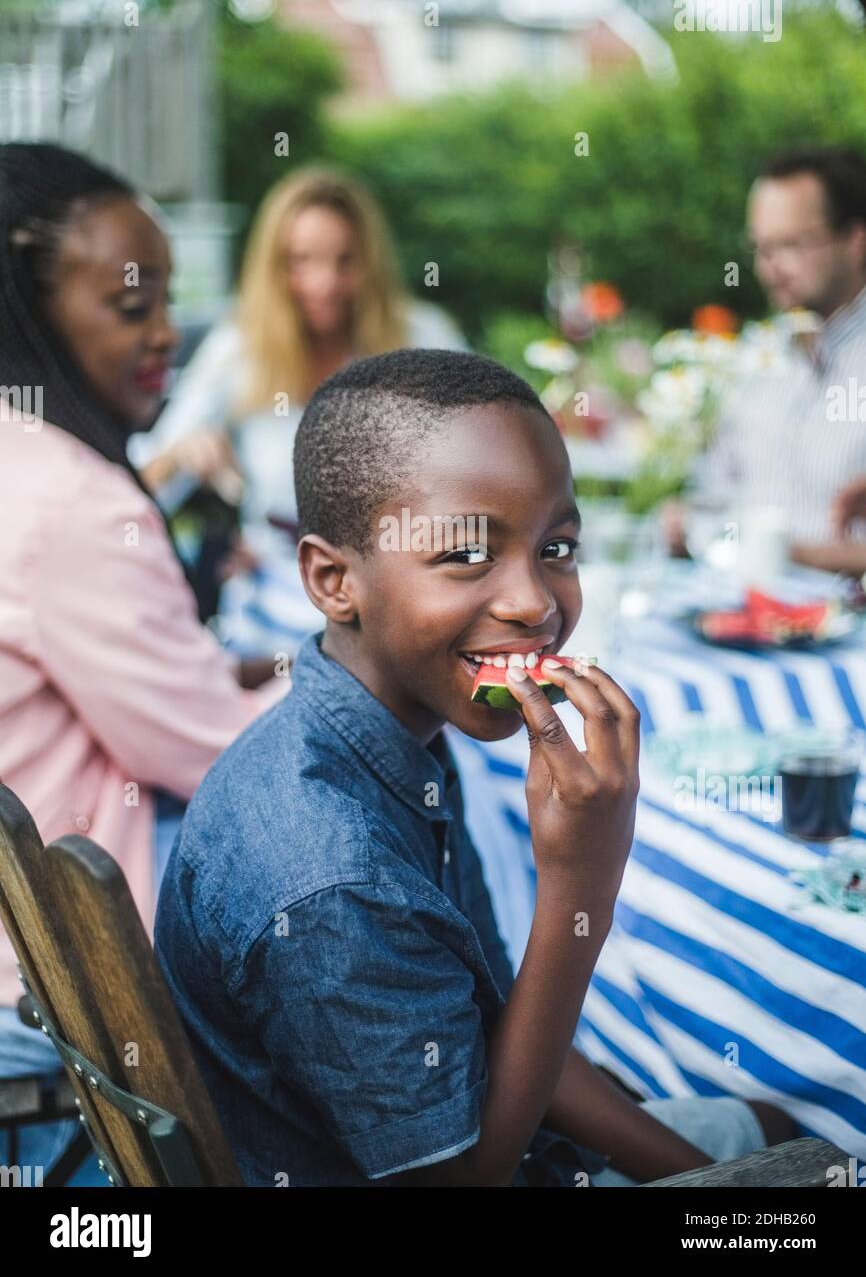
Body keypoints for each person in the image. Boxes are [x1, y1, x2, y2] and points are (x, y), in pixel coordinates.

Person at [155, 348, 795, 1187]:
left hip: (495, 1131)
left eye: (557, 547)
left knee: (776, 1133)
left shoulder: (394, 736)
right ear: (332, 578)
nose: (534, 603)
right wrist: (580, 888)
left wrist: (706, 1177)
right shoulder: (332, 882)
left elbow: (498, 1026)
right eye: (465, 555)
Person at [0, 142, 285, 1179]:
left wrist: (252, 668)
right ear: (26, 311)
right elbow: (217, 754)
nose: (168, 333)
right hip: (54, 1034)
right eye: (132, 307)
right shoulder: (70, 503)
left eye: (167, 299)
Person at [130, 166, 469, 545]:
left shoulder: (422, 336)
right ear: (272, 267)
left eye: (346, 260)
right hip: (275, 577)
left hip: (402, 576)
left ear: (371, 262)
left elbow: (483, 454)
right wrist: (184, 453)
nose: (324, 283)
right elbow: (146, 483)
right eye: (300, 261)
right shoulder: (241, 346)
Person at [666, 147, 866, 572]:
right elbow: (713, 490)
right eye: (761, 248)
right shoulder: (756, 355)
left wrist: (802, 556)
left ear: (855, 239)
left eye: (791, 244)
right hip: (739, 609)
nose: (769, 267)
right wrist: (685, 523)